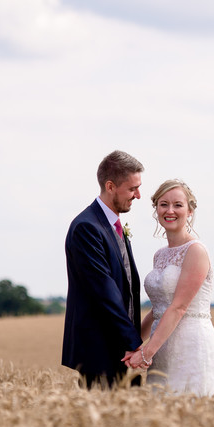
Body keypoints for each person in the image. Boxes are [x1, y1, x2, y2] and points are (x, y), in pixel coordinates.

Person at [123, 179, 214, 400]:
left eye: (178, 205)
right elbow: (158, 308)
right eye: (163, 204)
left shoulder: (196, 251)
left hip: (190, 344)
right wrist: (132, 344)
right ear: (156, 210)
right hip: (161, 345)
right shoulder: (159, 255)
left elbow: (179, 306)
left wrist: (146, 353)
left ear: (189, 211)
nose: (170, 211)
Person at [62, 150, 145, 388]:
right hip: (99, 354)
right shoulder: (87, 227)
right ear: (110, 186)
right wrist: (136, 346)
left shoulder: (112, 225)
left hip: (121, 352)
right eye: (132, 189)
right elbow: (105, 294)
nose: (138, 195)